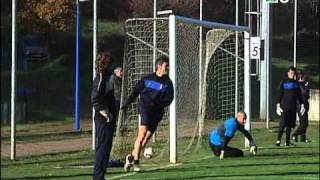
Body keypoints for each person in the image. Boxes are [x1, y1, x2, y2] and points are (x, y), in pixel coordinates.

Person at [121, 55, 174, 172]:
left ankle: (130, 157)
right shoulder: (147, 79)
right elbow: (135, 92)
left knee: (146, 139)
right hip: (145, 110)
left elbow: (169, 99)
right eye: (166, 65)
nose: (168, 67)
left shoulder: (168, 83)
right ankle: (136, 163)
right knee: (142, 134)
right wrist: (126, 104)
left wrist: (158, 103)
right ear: (159, 66)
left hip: (157, 113)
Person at [91, 52, 116, 180]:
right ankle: (97, 177)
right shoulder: (100, 77)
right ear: (103, 63)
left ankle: (101, 176)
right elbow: (95, 98)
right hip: (103, 118)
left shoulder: (107, 75)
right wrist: (105, 112)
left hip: (110, 116)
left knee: (106, 147)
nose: (110, 64)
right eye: (108, 61)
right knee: (103, 147)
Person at [275, 66, 305, 146]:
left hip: (293, 107)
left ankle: (287, 142)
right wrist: (278, 105)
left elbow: (299, 95)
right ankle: (278, 140)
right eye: (291, 73)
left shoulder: (296, 83)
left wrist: (302, 105)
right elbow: (280, 93)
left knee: (289, 125)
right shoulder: (283, 82)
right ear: (288, 73)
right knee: (282, 124)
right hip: (284, 106)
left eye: (294, 73)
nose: (292, 74)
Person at [292, 72, 311, 143]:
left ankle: (303, 138)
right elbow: (304, 93)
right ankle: (295, 134)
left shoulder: (301, 85)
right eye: (304, 78)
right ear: (301, 78)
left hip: (304, 105)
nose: (306, 79)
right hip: (300, 106)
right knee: (304, 123)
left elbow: (307, 95)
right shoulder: (299, 85)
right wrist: (307, 87)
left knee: (304, 122)